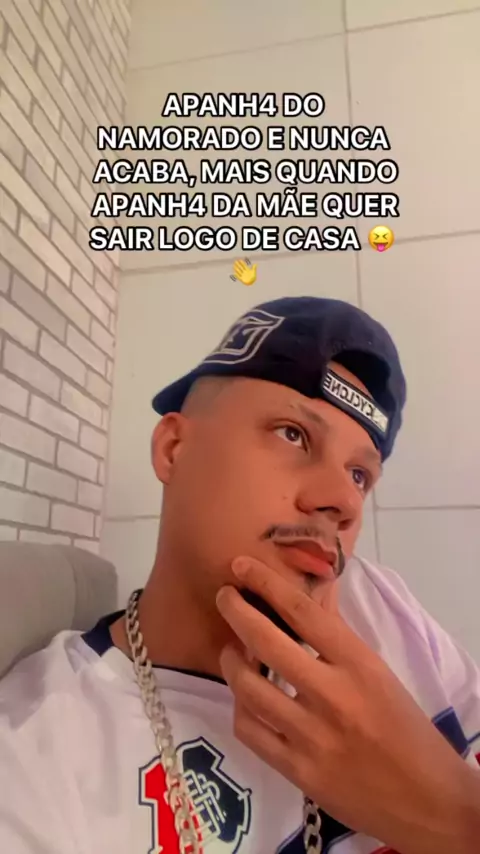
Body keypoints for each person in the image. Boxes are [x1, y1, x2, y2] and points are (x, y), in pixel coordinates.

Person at [0, 296, 479, 854]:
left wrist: (453, 815)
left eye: (359, 475)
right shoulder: (39, 756)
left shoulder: (382, 605)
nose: (344, 502)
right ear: (174, 449)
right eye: (293, 434)